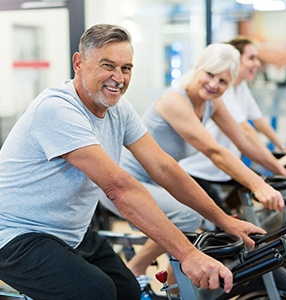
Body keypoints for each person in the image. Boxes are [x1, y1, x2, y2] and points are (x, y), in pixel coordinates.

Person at [0, 24, 266, 300]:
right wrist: (187, 254)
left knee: (128, 291)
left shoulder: (118, 109)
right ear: (79, 63)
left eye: (126, 68)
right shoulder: (58, 109)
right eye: (108, 65)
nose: (118, 78)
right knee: (97, 293)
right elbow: (118, 187)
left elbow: (163, 166)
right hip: (16, 234)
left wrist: (225, 221)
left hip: (70, 232)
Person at [99, 42, 286, 298]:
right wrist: (258, 185)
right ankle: (135, 269)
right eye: (210, 74)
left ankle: (174, 292)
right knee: (187, 217)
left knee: (202, 225)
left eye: (223, 81)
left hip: (158, 183)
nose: (214, 84)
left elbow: (244, 141)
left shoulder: (211, 103)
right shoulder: (174, 100)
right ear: (197, 68)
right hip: (126, 182)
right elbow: (215, 152)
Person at [179, 36, 286, 207]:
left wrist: (283, 149)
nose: (257, 64)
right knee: (215, 222)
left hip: (225, 167)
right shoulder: (221, 93)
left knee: (257, 197)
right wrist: (278, 166)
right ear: (235, 59)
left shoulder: (239, 88)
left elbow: (259, 122)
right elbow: (245, 134)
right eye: (251, 58)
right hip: (200, 169)